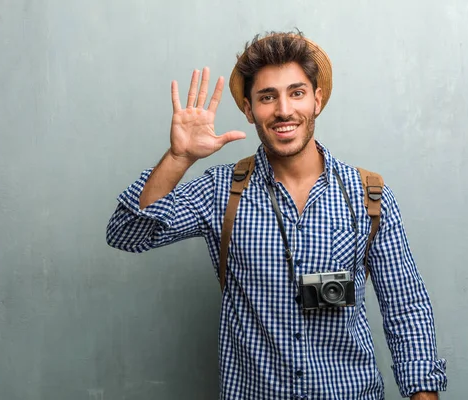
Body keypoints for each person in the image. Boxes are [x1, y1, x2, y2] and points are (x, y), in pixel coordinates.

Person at [106, 30, 447, 400]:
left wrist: (422, 393)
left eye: (296, 93)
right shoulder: (223, 192)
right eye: (267, 97)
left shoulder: (369, 196)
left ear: (317, 100)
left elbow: (406, 307)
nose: (284, 110)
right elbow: (127, 232)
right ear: (250, 110)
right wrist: (179, 158)